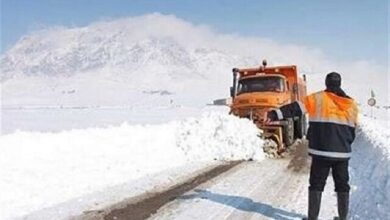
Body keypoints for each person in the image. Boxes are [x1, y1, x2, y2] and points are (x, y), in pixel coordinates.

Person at [266, 72, 358, 220]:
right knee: (342, 185)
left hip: (321, 152)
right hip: (342, 154)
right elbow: (352, 130)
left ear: (326, 83)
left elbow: (295, 109)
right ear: (340, 84)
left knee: (316, 184)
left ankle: (312, 218)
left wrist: (274, 114)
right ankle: (342, 218)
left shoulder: (317, 98)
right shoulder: (351, 104)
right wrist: (344, 144)